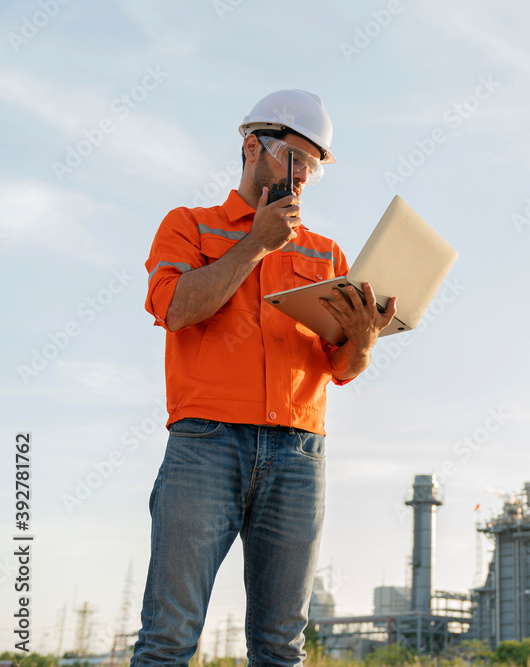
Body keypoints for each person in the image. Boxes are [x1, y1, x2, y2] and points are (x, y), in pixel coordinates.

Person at [131, 89, 396, 666]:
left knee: (281, 646)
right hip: (206, 445)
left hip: (300, 454)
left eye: (315, 168)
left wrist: (364, 343)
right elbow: (176, 308)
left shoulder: (327, 254)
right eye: (295, 159)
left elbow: (340, 369)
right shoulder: (189, 226)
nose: (303, 175)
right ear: (254, 147)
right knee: (169, 639)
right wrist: (256, 243)